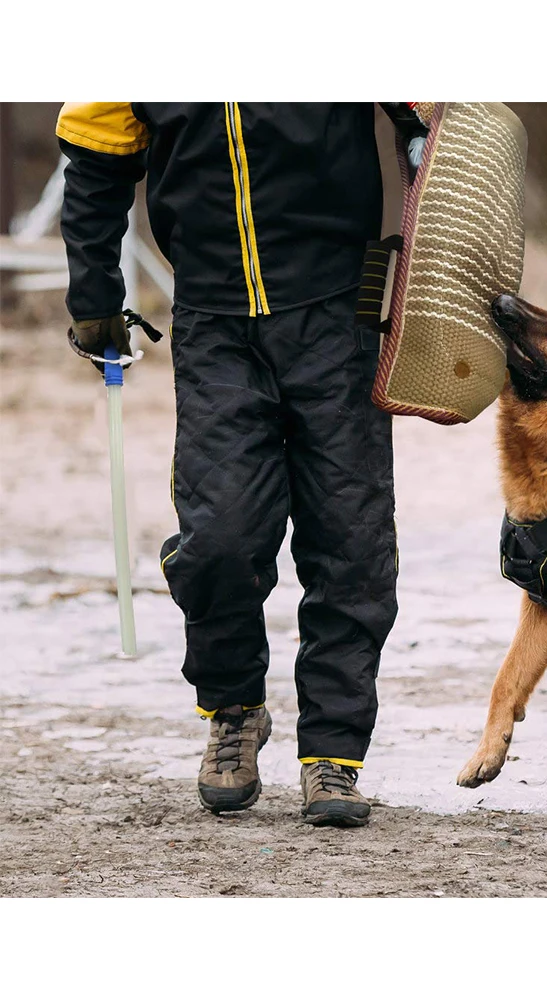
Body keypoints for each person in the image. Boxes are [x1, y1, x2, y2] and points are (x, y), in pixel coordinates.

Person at [58, 102, 429, 827]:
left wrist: (427, 165)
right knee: (218, 539)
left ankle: (333, 753)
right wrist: (94, 295)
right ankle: (234, 711)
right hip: (212, 320)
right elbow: (96, 161)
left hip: (340, 306)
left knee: (349, 541)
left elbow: (427, 115)